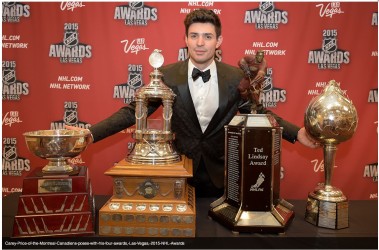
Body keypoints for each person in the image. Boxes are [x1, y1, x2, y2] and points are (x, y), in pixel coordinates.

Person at [67, 9, 319, 197]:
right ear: (186, 39)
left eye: (207, 36)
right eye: (194, 36)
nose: (200, 43)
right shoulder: (166, 74)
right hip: (177, 174)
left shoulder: (236, 78)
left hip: (222, 178)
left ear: (218, 41)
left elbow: (258, 113)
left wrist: (298, 133)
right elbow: (135, 111)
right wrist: (90, 134)